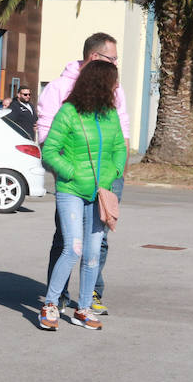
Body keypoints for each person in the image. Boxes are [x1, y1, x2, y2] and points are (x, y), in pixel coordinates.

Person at [36, 33, 130, 315]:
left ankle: (90, 297)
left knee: (97, 244)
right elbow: (46, 138)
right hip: (72, 184)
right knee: (67, 241)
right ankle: (57, 296)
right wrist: (69, 172)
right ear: (95, 58)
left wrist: (116, 171)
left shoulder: (113, 95)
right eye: (112, 58)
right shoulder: (61, 92)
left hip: (105, 182)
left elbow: (120, 134)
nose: (116, 64)